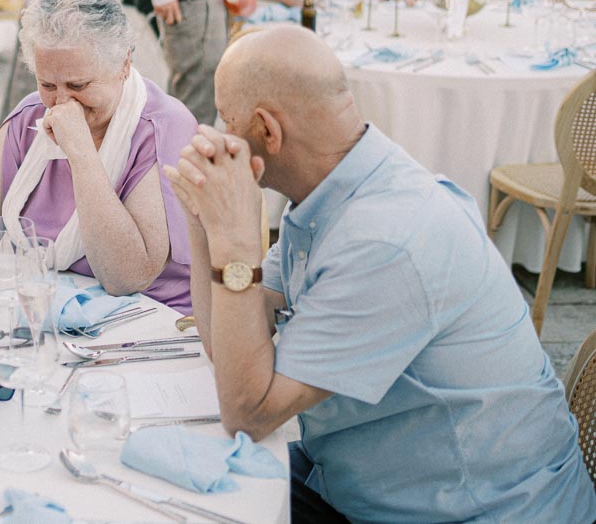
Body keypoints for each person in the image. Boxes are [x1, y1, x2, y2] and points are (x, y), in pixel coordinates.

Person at [163, 26, 596, 523]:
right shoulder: (334, 187)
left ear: (267, 131)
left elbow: (248, 411)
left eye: (225, 118)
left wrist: (237, 246)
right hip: (363, 478)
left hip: (482, 510)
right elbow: (230, 345)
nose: (216, 132)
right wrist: (205, 226)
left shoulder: (386, 240)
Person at [0, 0, 196, 308]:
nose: (61, 102)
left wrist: (80, 152)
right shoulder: (29, 117)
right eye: (47, 84)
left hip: (148, 319)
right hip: (46, 309)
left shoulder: (166, 128)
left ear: (123, 64)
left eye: (78, 85)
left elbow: (127, 276)